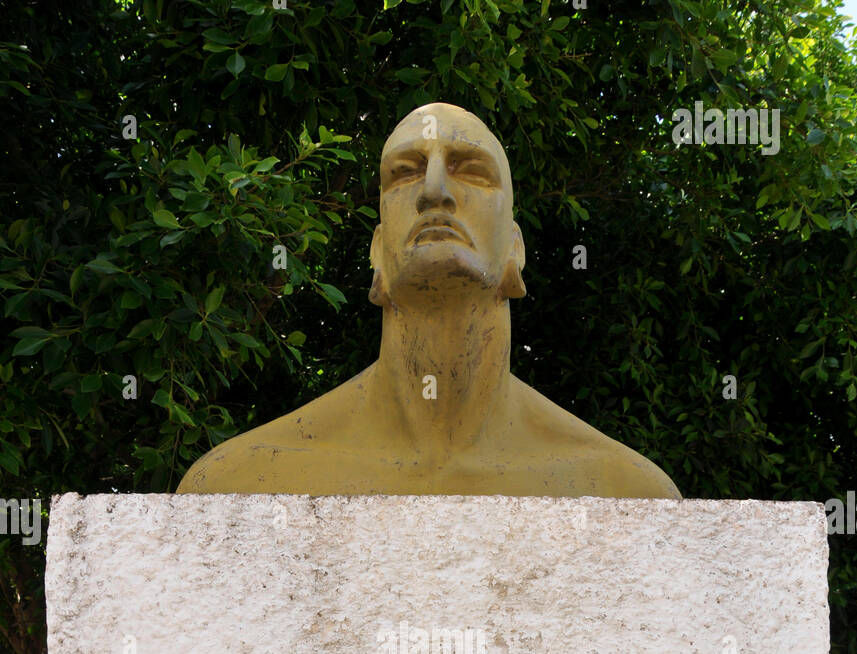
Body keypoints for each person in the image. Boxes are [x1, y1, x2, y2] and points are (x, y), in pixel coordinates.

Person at [177, 102, 680, 501]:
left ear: (515, 250)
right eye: (404, 173)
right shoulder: (238, 484)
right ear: (377, 252)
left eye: (472, 171)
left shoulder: (626, 492)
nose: (433, 191)